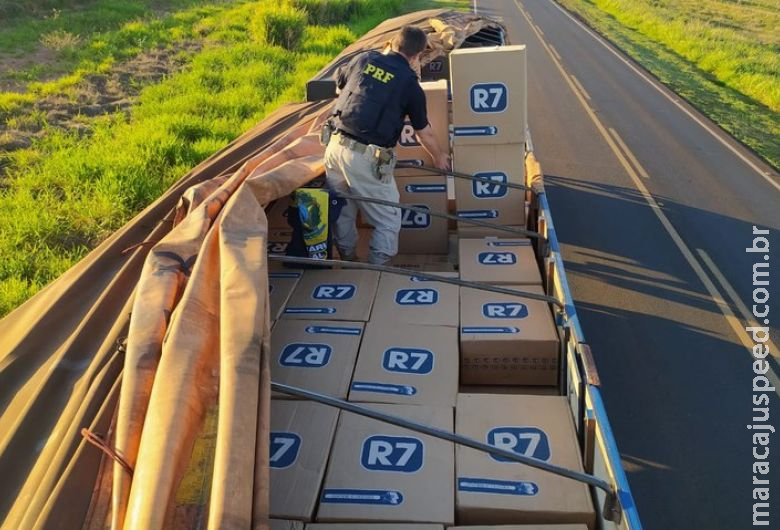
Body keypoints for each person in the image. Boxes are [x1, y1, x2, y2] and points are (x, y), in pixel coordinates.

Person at [324, 25, 451, 265]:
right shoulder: (410, 85)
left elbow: (339, 84)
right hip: (364, 157)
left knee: (342, 209)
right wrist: (439, 156)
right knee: (388, 220)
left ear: (392, 43)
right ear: (417, 56)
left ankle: (348, 259)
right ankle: (377, 274)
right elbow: (423, 131)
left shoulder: (364, 59)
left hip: (333, 146)